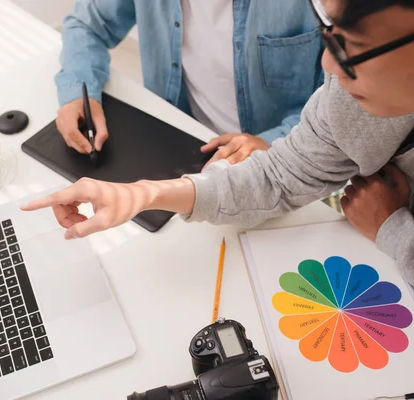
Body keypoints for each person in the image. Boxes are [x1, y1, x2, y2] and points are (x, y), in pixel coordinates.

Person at [22, 0, 414, 286]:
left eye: (352, 48)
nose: (330, 66)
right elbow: (281, 175)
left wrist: (395, 231)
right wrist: (142, 194)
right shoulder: (351, 96)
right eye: (328, 33)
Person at [55, 0, 325, 166]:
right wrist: (80, 90)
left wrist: (274, 142)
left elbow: (346, 103)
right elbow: (86, 24)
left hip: (286, 162)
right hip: (178, 146)